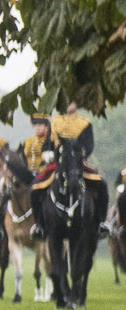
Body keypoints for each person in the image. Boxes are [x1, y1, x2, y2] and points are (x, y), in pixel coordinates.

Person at [51, 98, 107, 231]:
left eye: (71, 101)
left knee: (102, 185)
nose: (68, 103)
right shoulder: (54, 122)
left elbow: (89, 145)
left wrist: (79, 155)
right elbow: (50, 142)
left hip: (78, 163)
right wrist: (49, 152)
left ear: (77, 103)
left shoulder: (84, 123)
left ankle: (101, 223)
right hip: (58, 163)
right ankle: (39, 225)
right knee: (35, 188)